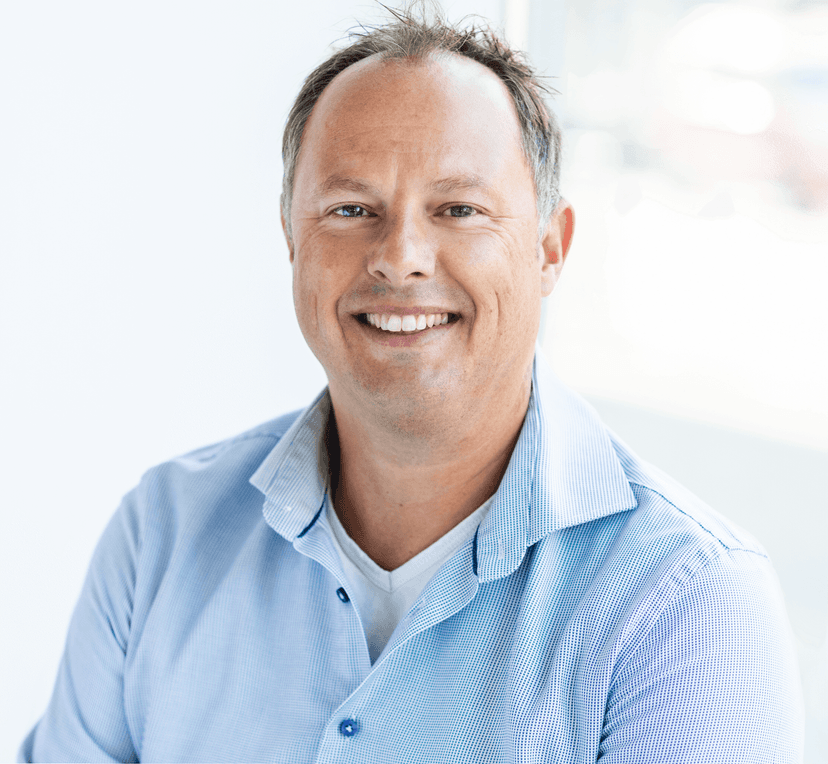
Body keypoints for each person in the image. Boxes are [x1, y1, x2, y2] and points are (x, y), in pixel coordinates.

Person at [21, 5, 803, 763]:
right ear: (290, 237)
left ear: (549, 249)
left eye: (458, 209)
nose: (400, 258)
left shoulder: (685, 603)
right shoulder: (162, 535)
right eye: (350, 208)